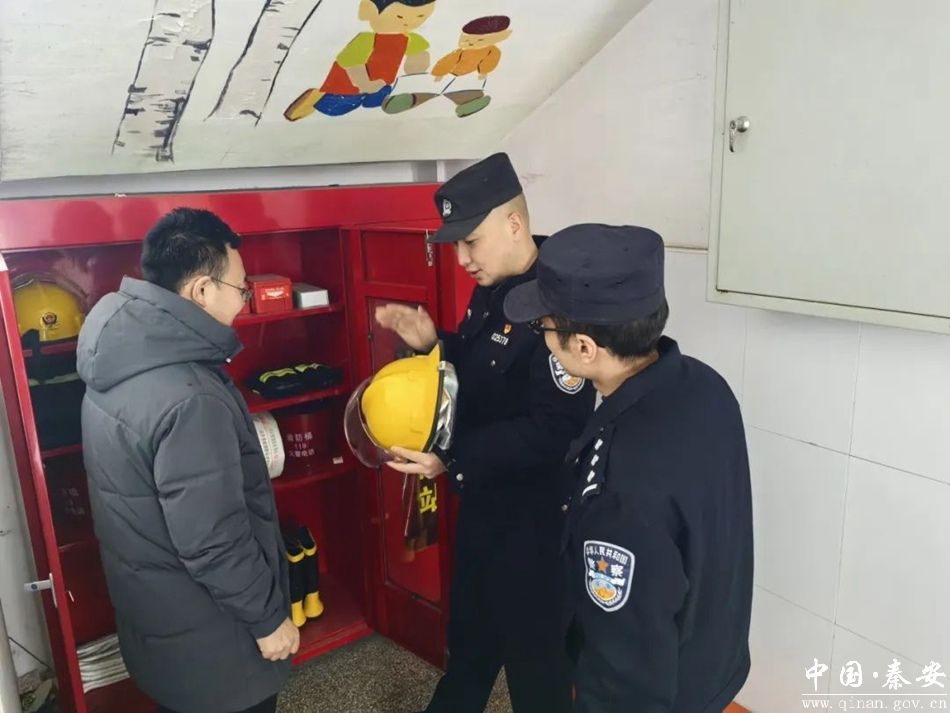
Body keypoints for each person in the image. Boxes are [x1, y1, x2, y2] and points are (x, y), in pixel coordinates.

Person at [375, 152, 595, 713]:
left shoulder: (559, 303)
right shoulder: (494, 285)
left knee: (538, 679)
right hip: (483, 514)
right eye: (456, 245)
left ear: (513, 224)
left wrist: (451, 457)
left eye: (470, 242)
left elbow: (556, 429)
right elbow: (484, 370)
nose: (462, 259)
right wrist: (436, 343)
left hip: (535, 532)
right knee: (469, 652)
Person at [503, 223, 754, 712]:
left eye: (544, 327)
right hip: (710, 662)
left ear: (584, 348)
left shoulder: (619, 488)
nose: (543, 339)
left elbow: (626, 666)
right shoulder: (705, 386)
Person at [76, 208, 296, 713]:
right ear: (201, 290)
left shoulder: (119, 355)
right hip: (216, 643)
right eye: (241, 288)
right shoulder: (190, 395)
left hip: (162, 624)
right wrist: (267, 620)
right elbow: (213, 537)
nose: (245, 300)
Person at [284, 0, 435, 120]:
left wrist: (418, 67)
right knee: (338, 108)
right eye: (400, 17)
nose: (409, 22)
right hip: (348, 85)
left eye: (420, 17)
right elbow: (353, 65)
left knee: (377, 100)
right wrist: (365, 83)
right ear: (369, 11)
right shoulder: (366, 40)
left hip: (381, 83)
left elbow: (419, 54)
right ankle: (316, 99)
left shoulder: (409, 38)